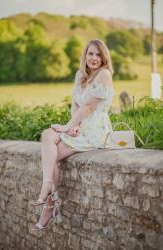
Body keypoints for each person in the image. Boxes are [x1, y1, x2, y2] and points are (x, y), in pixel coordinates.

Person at [30, 39, 116, 230]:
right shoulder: (81, 75)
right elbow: (76, 104)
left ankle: (49, 205)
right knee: (47, 135)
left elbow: (89, 106)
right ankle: (48, 185)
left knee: (54, 158)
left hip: (96, 131)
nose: (94, 58)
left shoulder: (104, 75)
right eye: (90, 53)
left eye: (98, 54)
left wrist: (68, 126)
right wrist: (72, 127)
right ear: (85, 55)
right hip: (81, 127)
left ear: (104, 57)